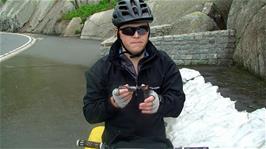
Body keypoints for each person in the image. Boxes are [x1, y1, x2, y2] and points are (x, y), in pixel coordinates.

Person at [83, 0, 185, 148]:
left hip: (156, 144)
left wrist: (160, 103)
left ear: (149, 30)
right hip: (116, 144)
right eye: (128, 30)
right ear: (117, 33)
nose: (136, 35)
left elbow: (178, 104)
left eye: (142, 29)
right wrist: (113, 103)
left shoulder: (164, 63)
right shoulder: (100, 69)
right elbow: (90, 114)